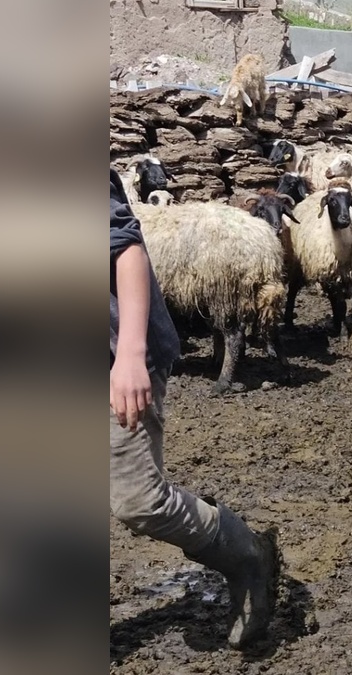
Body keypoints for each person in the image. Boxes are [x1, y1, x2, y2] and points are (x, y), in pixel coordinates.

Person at [109, 168, 279, 648]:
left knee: (140, 501)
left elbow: (125, 248)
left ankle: (247, 554)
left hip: (112, 354)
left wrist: (129, 354)